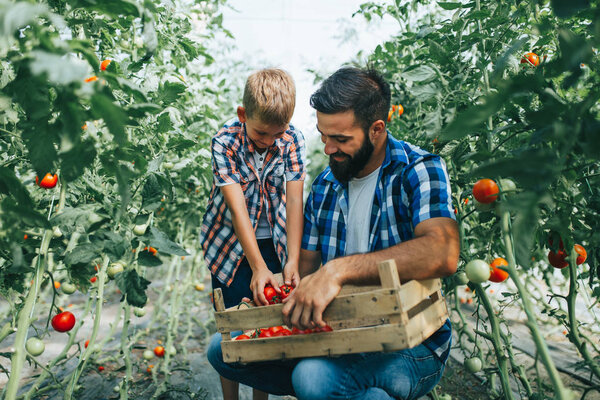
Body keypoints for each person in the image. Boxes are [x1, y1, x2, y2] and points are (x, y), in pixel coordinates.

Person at [207, 66, 460, 400]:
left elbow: (442, 253)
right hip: (343, 333)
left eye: (340, 140)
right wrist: (273, 304)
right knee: (221, 348)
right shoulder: (325, 187)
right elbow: (305, 273)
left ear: (376, 130)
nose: (328, 149)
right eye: (324, 137)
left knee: (313, 378)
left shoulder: (418, 169)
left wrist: (338, 270)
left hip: (412, 339)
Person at [200, 68, 306, 400]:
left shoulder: (293, 139)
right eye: (262, 133)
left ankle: (261, 397)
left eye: (278, 133)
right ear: (243, 114)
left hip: (275, 241)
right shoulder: (225, 141)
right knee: (232, 326)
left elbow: (294, 202)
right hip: (230, 246)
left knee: (269, 326)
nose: (270, 141)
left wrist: (292, 259)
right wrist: (259, 267)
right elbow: (237, 210)